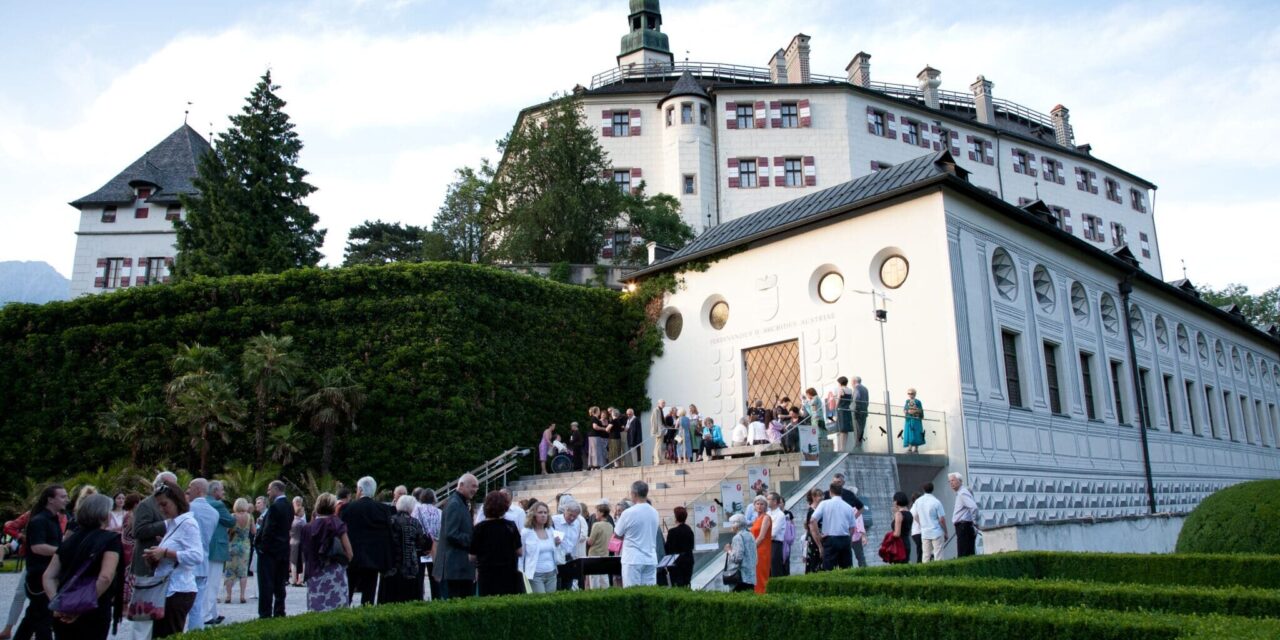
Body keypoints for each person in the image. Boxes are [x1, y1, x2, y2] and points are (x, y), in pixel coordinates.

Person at [40, 493, 120, 640]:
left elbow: (48, 576)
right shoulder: (111, 540)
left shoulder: (69, 541)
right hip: (94, 608)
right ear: (104, 514)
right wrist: (80, 606)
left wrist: (58, 605)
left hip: (65, 604)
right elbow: (105, 577)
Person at [143, 482, 202, 638]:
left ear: (177, 501)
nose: (162, 509)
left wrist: (166, 552)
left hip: (178, 589)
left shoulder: (188, 524)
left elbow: (197, 556)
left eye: (164, 504)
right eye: (159, 505)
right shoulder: (172, 524)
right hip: (166, 589)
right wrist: (154, 557)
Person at [13, 484, 68, 640]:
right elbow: (37, 547)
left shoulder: (53, 519)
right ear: (50, 499)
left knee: (33, 616)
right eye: (62, 496)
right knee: (43, 618)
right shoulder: (39, 520)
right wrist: (62, 550)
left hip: (47, 573)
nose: (66, 500)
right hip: (39, 576)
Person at [341, 476, 393, 606]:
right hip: (373, 558)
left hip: (353, 556)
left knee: (348, 591)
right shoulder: (383, 509)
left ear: (359, 490)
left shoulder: (348, 508)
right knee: (369, 593)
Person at [300, 493, 352, 612]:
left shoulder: (307, 528)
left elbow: (305, 553)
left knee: (316, 611)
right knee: (337, 613)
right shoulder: (336, 524)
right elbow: (349, 553)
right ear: (333, 507)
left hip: (314, 573)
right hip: (334, 573)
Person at [470, 491, 523, 597]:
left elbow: (472, 556)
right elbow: (520, 552)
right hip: (508, 573)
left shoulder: (479, 528)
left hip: (486, 573)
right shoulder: (511, 527)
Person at [434, 473, 478, 599]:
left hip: (458, 569)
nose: (475, 490)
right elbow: (451, 534)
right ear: (461, 485)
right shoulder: (455, 504)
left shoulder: (461, 503)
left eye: (477, 487)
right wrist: (473, 540)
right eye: (473, 486)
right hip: (453, 569)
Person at [381, 496, 431, 603]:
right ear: (410, 508)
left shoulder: (391, 520)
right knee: (409, 600)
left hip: (392, 567)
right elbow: (422, 543)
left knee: (391, 600)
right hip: (410, 567)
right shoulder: (415, 522)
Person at [184, 478, 219, 632]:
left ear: (198, 489)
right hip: (203, 561)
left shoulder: (188, 509)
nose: (187, 491)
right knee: (197, 605)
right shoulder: (214, 513)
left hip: (187, 562)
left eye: (190, 487)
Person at [254, 480, 292, 619]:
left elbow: (268, 530)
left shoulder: (275, 507)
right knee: (279, 583)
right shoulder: (289, 506)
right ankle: (279, 611)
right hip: (283, 551)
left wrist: (261, 547)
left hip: (270, 552)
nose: (268, 492)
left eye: (269, 489)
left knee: (266, 584)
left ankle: (265, 613)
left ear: (276, 489)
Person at [613, 481, 659, 587]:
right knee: (649, 593)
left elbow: (617, 534)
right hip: (650, 558)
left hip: (632, 559)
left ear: (634, 494)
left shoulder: (628, 513)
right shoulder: (654, 512)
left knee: (632, 593)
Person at [202, 481, 234, 626]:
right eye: (221, 490)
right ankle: (207, 614)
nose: (223, 493)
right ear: (215, 491)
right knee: (213, 582)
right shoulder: (218, 505)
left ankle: (212, 612)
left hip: (205, 545)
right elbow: (231, 521)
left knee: (206, 581)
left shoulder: (202, 503)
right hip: (217, 546)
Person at [809, 481, 856, 571]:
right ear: (841, 492)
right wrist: (849, 539)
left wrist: (819, 535)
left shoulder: (824, 504)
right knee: (847, 569)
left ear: (830, 492)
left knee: (829, 570)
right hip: (845, 538)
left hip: (830, 539)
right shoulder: (848, 507)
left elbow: (812, 520)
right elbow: (852, 528)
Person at [520, 502, 561, 593]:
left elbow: (553, 551)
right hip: (535, 574)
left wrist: (557, 544)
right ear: (533, 515)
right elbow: (521, 555)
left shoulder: (550, 530)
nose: (543, 515)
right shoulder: (526, 532)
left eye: (545, 513)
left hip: (552, 573)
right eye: (540, 512)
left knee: (551, 602)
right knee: (541, 601)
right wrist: (520, 573)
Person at [412, 489, 443, 600]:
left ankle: (419, 599)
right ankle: (437, 600)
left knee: (419, 577)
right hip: (435, 548)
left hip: (420, 547)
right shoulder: (439, 512)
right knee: (435, 578)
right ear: (434, 499)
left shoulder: (416, 510)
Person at [223, 498, 254, 605]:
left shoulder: (232, 516)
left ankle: (228, 596)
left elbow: (227, 531)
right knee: (243, 572)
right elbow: (253, 531)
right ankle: (242, 596)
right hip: (245, 546)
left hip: (233, 545)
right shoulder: (250, 517)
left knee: (230, 571)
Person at [551, 500, 585, 591]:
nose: (572, 518)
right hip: (556, 558)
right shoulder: (554, 520)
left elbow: (575, 541)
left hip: (569, 558)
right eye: (570, 515)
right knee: (556, 587)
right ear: (565, 511)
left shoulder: (577, 523)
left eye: (575, 516)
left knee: (567, 587)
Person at [914, 482, 947, 563]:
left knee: (925, 556)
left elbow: (915, 515)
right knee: (938, 555)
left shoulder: (918, 501)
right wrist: (946, 532)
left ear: (923, 489)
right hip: (936, 531)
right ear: (933, 489)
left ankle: (926, 574)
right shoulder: (936, 502)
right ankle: (939, 573)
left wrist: (921, 524)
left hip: (925, 532)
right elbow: (942, 519)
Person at [583, 502, 613, 589]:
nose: (595, 513)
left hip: (594, 555)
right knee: (604, 579)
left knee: (594, 579)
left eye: (597, 512)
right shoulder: (610, 526)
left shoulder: (596, 525)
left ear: (602, 513)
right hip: (605, 555)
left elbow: (590, 542)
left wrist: (586, 538)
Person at [723, 514, 756, 592]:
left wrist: (729, 550)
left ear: (736, 525)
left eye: (732, 523)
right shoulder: (750, 535)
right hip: (750, 576)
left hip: (739, 577)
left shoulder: (737, 537)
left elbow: (737, 559)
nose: (730, 526)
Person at [950, 473, 979, 558]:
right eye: (950, 481)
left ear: (960, 481)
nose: (951, 483)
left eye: (953, 480)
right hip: (963, 526)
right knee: (967, 552)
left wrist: (974, 522)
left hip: (964, 526)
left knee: (963, 553)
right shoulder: (961, 493)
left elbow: (974, 507)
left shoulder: (962, 493)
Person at [664, 507, 694, 588]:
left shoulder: (672, 532)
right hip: (688, 562)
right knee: (686, 585)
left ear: (676, 517)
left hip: (676, 564)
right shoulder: (689, 530)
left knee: (677, 586)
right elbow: (691, 546)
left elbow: (668, 549)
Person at [748, 496, 772, 593]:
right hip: (756, 549)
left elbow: (761, 536)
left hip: (762, 550)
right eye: (757, 504)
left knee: (761, 575)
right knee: (756, 576)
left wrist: (751, 548)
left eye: (762, 504)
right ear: (754, 506)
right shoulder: (756, 519)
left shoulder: (766, 517)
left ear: (766, 506)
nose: (759, 506)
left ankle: (762, 595)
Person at [802, 489, 825, 574]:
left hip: (820, 537)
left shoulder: (819, 508)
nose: (822, 498)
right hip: (814, 539)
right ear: (813, 497)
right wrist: (819, 545)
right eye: (819, 496)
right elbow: (812, 529)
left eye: (822, 495)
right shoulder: (812, 511)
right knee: (815, 561)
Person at [766, 492, 788, 579]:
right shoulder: (768, 513)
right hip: (767, 542)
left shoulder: (780, 515)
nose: (767, 501)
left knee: (775, 568)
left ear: (775, 501)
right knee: (768, 569)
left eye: (768, 499)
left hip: (775, 544)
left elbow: (773, 533)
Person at [289, 497, 307, 587]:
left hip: (292, 542)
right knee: (303, 562)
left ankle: (293, 579)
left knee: (293, 562)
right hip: (301, 542)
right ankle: (301, 579)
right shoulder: (302, 522)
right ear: (300, 513)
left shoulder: (291, 521)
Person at [835, 376, 855, 451]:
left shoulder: (841, 390)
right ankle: (844, 447)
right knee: (845, 430)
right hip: (847, 410)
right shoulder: (850, 390)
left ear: (840, 383)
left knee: (841, 430)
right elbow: (851, 400)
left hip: (841, 410)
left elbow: (838, 401)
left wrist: (835, 408)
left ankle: (841, 448)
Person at [903, 388, 925, 453]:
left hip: (916, 420)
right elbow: (905, 409)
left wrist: (914, 411)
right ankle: (909, 448)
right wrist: (907, 411)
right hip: (909, 419)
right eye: (909, 393)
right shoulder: (907, 401)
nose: (910, 395)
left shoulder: (918, 402)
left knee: (916, 433)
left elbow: (921, 410)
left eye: (911, 393)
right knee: (909, 433)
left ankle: (916, 449)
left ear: (915, 394)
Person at [853, 377, 870, 447]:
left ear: (854, 381)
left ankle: (857, 445)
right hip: (864, 411)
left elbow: (856, 399)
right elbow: (867, 401)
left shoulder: (856, 388)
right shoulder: (865, 389)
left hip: (858, 411)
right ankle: (860, 445)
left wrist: (855, 409)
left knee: (857, 428)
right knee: (861, 428)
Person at [649, 400, 666, 465]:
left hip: (661, 430)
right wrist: (655, 431)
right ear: (658, 403)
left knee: (659, 445)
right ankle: (657, 460)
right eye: (662, 403)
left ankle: (659, 460)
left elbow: (661, 420)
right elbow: (653, 421)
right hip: (658, 431)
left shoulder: (660, 410)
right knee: (658, 446)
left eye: (664, 403)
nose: (663, 404)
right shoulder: (656, 410)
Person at [909, 492, 923, 564]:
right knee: (921, 549)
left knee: (921, 548)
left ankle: (920, 562)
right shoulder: (916, 507)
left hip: (915, 532)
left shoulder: (913, 507)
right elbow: (916, 516)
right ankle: (919, 562)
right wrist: (923, 525)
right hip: (918, 531)